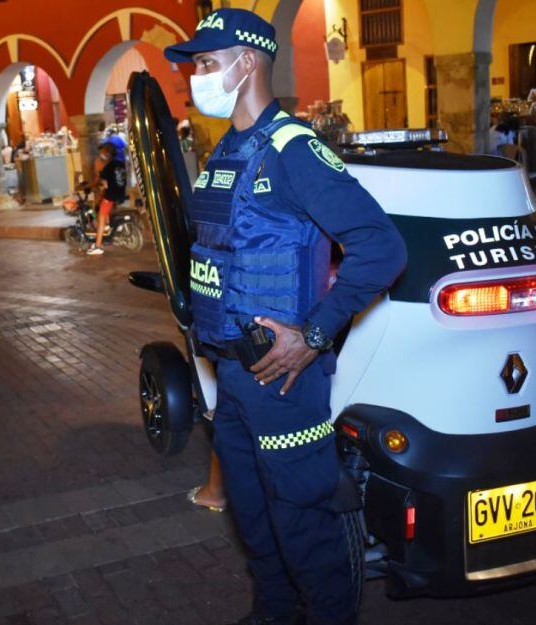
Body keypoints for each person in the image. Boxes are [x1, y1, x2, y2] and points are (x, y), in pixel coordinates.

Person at [164, 9, 407, 625]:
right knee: (253, 514)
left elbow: (383, 247)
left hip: (284, 380)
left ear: (246, 63)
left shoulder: (291, 149)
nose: (196, 76)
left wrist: (316, 334)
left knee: (302, 523)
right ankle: (274, 614)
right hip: (235, 377)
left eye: (206, 63)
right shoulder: (229, 149)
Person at [86, 142, 127, 256]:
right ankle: (108, 228)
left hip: (111, 195)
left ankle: (98, 246)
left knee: (101, 216)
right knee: (102, 201)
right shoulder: (120, 163)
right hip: (121, 193)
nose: (101, 154)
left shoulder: (108, 167)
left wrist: (87, 186)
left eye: (103, 152)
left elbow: (99, 182)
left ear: (107, 153)